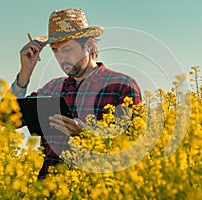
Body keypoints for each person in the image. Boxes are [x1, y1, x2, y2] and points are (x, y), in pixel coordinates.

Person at [8, 8, 142, 179]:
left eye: (67, 49)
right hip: (47, 192)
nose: (61, 58)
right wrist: (25, 72)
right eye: (55, 51)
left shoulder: (121, 86)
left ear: (88, 45)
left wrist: (86, 132)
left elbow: (134, 147)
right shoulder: (52, 88)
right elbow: (7, 120)